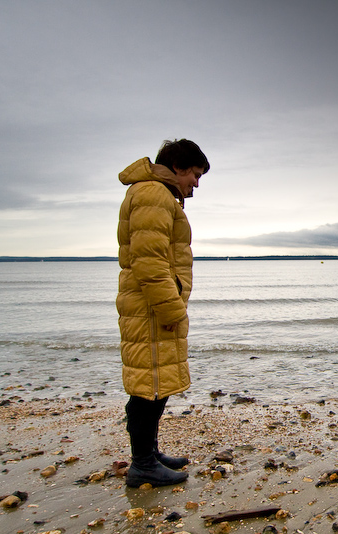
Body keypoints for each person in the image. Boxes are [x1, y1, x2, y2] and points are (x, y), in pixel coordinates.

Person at [116, 139, 210, 487]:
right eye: (196, 175)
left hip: (150, 305)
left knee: (153, 382)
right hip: (152, 307)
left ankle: (148, 453)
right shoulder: (154, 195)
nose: (196, 184)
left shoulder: (156, 195)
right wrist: (172, 307)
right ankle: (141, 463)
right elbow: (150, 261)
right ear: (179, 166)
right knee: (149, 385)